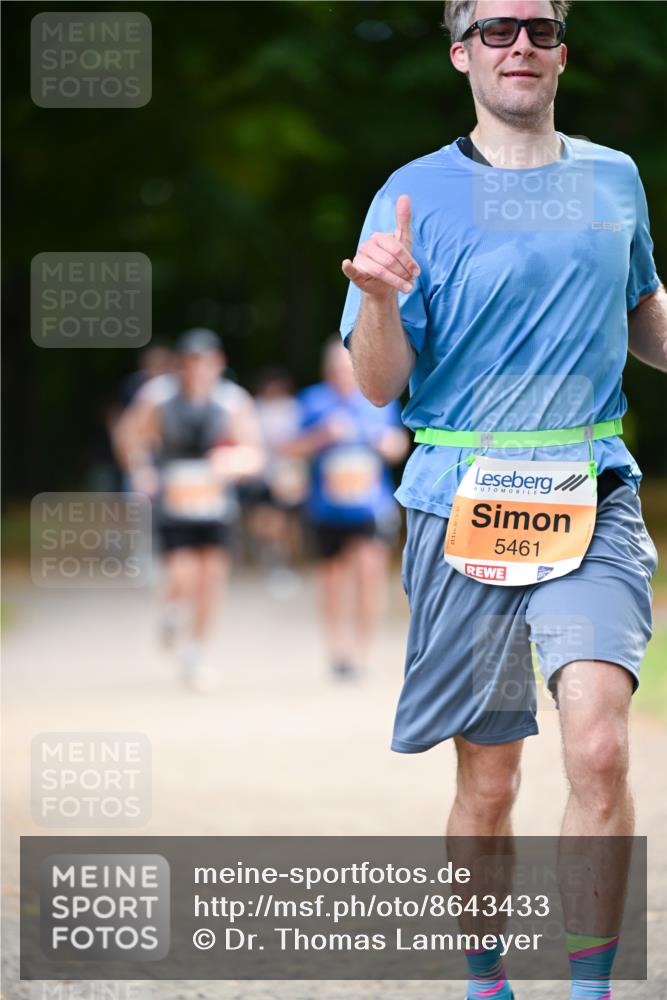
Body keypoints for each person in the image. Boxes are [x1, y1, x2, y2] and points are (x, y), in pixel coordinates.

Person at [340, 2, 666, 998]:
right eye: (493, 28)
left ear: (563, 52)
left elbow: (642, 314)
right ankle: (485, 977)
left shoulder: (612, 178)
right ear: (458, 53)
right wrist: (386, 300)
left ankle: (589, 986)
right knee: (488, 779)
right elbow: (376, 382)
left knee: (600, 744)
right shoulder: (412, 195)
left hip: (589, 487)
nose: (517, 44)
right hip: (463, 502)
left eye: (538, 26)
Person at [114, 328, 264, 691]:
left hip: (215, 504)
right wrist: (140, 470)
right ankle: (171, 611)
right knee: (182, 576)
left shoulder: (233, 402)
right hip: (176, 500)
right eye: (191, 363)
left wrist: (235, 462)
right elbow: (129, 434)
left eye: (206, 363)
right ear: (181, 366)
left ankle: (196, 653)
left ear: (218, 364)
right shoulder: (158, 398)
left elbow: (255, 453)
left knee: (210, 580)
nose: (198, 370)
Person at [284, 337, 409, 679]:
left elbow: (399, 445)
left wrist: (387, 445)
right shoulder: (312, 401)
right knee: (332, 582)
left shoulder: (378, 401)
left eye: (347, 366)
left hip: (370, 508)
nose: (342, 373)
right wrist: (322, 436)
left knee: (369, 577)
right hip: (326, 509)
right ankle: (336, 650)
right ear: (327, 370)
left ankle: (362, 651)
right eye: (336, 368)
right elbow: (290, 448)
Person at [240, 366, 308, 596]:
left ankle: (282, 562)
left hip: (287, 475)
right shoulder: (255, 408)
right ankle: (270, 558)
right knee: (265, 522)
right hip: (262, 474)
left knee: (285, 524)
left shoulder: (293, 408)